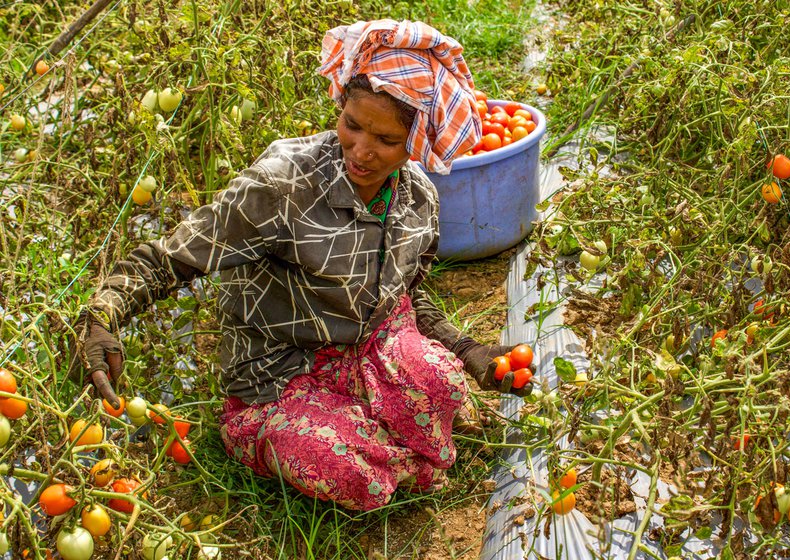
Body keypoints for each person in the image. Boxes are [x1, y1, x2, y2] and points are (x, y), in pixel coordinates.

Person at [71, 19, 533, 511]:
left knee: (441, 385)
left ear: (415, 142)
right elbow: (173, 258)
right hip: (277, 372)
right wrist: (102, 316)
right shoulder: (283, 185)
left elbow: (407, 295)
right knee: (355, 475)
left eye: (387, 140)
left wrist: (466, 349)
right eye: (352, 124)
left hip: (370, 346)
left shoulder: (417, 200)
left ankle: (374, 413)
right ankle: (270, 430)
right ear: (340, 107)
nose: (361, 150)